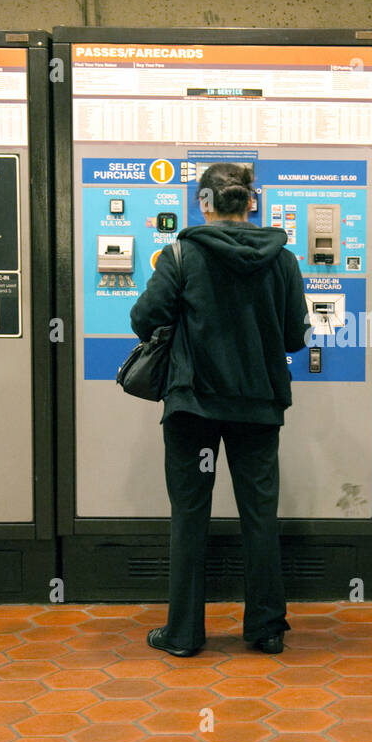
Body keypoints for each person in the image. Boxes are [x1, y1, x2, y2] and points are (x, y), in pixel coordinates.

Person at [129, 163, 309, 658]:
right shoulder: (284, 260)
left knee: (189, 514)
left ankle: (184, 634)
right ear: (251, 202)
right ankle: (266, 628)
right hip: (258, 404)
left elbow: (144, 320)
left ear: (204, 202)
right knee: (259, 515)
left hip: (194, 405)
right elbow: (296, 335)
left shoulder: (180, 254)